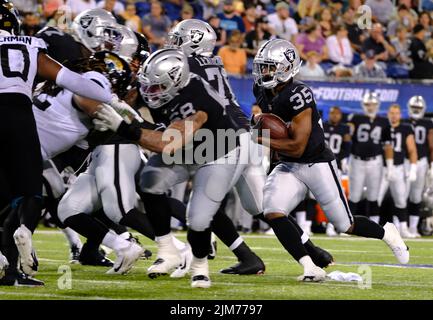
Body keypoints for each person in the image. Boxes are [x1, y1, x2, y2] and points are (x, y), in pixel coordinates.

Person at [164, 18, 333, 275]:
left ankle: (220, 256)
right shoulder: (214, 62)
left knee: (205, 201)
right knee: (261, 207)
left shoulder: (186, 67)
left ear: (192, 41)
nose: (173, 45)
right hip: (243, 135)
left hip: (223, 138)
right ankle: (310, 251)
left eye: (178, 39)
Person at [251, 39, 409, 283]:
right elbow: (279, 133)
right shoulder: (260, 90)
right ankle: (310, 267)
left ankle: (387, 232)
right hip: (288, 165)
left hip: (316, 163)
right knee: (272, 210)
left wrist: (260, 138)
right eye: (262, 67)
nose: (264, 72)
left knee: (344, 224)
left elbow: (297, 145)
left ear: (287, 67)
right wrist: (270, 151)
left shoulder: (299, 94)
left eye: (270, 67)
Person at [0, 0, 132, 286]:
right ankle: (16, 251)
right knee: (28, 194)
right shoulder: (29, 46)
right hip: (21, 117)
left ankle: (8, 266)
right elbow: (69, 79)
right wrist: (111, 99)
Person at [347, 92, 394, 224]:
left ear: (377, 105)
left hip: (376, 162)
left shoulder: (384, 121)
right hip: (357, 161)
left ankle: (374, 225)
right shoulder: (355, 118)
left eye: (373, 104)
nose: (370, 107)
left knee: (374, 196)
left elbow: (388, 145)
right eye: (367, 104)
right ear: (363, 105)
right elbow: (347, 136)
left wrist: (389, 166)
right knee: (354, 195)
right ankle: (348, 225)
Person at [377, 104, 418, 238]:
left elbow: (412, 149)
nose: (394, 115)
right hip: (382, 168)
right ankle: (371, 227)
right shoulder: (384, 128)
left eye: (396, 113)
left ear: (400, 115)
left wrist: (413, 168)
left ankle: (403, 228)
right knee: (375, 198)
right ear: (388, 114)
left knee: (401, 200)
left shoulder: (406, 128)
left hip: (399, 167)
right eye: (392, 113)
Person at [404, 96, 433, 237]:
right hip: (404, 162)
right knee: (402, 195)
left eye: (418, 108)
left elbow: (432, 145)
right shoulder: (403, 123)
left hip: (421, 161)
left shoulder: (428, 123)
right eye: (414, 108)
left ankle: (413, 228)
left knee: (416, 196)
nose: (416, 110)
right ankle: (401, 226)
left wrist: (431, 163)